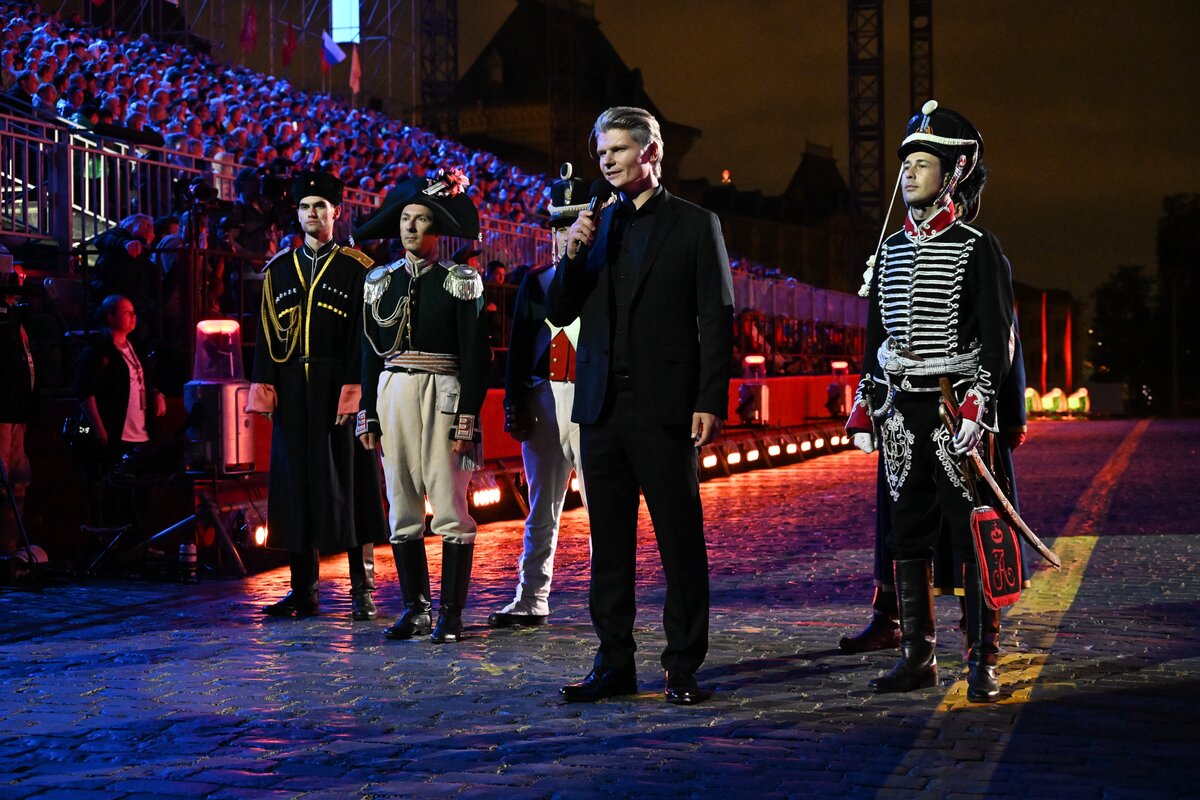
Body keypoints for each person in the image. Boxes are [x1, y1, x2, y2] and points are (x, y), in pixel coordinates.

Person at [547, 107, 734, 704]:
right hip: (600, 406)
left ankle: (683, 665)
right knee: (608, 546)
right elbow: (558, 310)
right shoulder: (594, 224)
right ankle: (614, 664)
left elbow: (716, 317)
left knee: (680, 541)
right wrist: (572, 253)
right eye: (602, 151)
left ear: (650, 152)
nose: (607, 161)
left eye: (618, 150)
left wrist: (709, 399)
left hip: (665, 407)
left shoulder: (696, 224)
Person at [845, 100, 1016, 702]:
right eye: (907, 164)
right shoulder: (891, 248)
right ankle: (917, 657)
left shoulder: (977, 245)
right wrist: (865, 404)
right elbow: (876, 338)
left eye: (922, 164)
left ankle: (982, 660)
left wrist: (979, 405)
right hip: (901, 412)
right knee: (905, 534)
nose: (909, 173)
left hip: (952, 409)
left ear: (953, 173)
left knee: (971, 534)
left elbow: (996, 337)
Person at [353, 170, 489, 644]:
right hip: (392, 391)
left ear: (437, 229)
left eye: (422, 220)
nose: (411, 228)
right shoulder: (379, 282)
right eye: (406, 219)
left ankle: (451, 612)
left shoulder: (460, 281)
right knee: (401, 506)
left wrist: (467, 418)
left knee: (449, 503)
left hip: (443, 392)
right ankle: (416, 609)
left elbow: (476, 356)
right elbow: (368, 353)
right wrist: (367, 413)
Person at [246, 171, 388, 621]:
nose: (312, 213)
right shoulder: (278, 271)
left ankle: (362, 589)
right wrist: (266, 389)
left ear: (336, 212)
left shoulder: (358, 268)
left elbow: (365, 338)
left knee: (352, 486)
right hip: (292, 393)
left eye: (320, 207)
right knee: (296, 489)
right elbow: (265, 334)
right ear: (298, 213)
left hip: (337, 390)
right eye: (306, 207)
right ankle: (303, 591)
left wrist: (355, 392)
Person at [487, 163, 589, 629]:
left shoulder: (602, 280)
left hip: (587, 399)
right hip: (543, 398)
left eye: (571, 226)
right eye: (558, 228)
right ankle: (531, 597)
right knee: (541, 509)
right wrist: (514, 402)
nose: (563, 236)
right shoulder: (536, 279)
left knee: (601, 508)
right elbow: (519, 346)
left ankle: (606, 603)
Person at [74, 295, 167, 522]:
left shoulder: (136, 348)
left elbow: (144, 380)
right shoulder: (98, 351)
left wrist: (157, 393)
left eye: (134, 311)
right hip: (117, 435)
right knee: (116, 497)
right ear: (110, 317)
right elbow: (85, 391)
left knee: (142, 497)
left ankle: (138, 538)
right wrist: (99, 428)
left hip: (142, 434)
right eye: (127, 312)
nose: (134, 316)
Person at [0, 273, 35, 555]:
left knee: (18, 480)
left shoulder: (14, 322)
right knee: (4, 481)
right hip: (3, 410)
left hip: (15, 410)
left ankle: (9, 548)